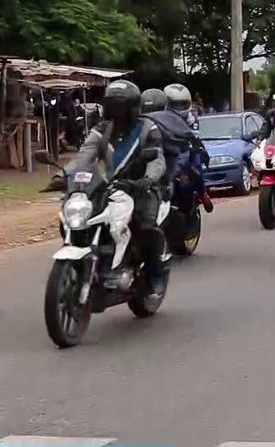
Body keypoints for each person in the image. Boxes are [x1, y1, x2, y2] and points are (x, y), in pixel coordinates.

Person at [47, 80, 168, 296]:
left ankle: (154, 274)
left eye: (122, 107)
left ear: (132, 108)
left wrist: (148, 179)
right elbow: (84, 156)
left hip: (141, 187)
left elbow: (157, 159)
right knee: (77, 216)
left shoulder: (148, 129)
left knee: (146, 227)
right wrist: (63, 175)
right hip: (111, 186)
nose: (117, 112)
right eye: (113, 106)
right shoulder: (101, 130)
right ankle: (92, 262)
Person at [163, 83, 212, 212]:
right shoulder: (161, 118)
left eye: (183, 103)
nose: (180, 108)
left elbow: (195, 137)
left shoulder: (191, 120)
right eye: (176, 104)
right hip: (166, 151)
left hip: (183, 150)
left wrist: (196, 147)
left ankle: (203, 193)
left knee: (196, 165)